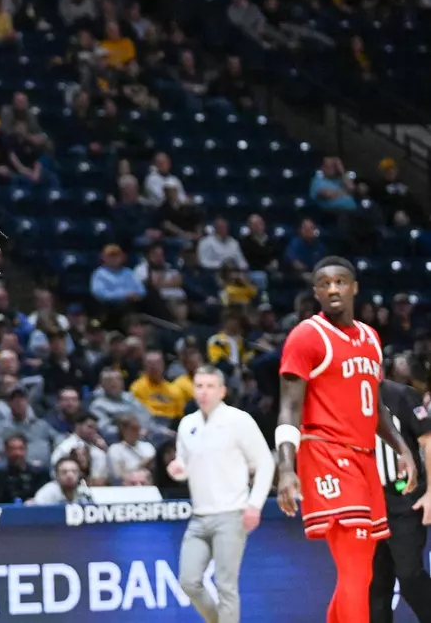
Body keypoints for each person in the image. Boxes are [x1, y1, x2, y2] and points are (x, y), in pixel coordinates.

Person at [277, 256, 415, 623]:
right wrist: (286, 470)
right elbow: (288, 409)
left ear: (355, 287)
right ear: (316, 292)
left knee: (362, 571)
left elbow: (376, 407)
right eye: (325, 284)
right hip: (326, 453)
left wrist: (402, 449)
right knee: (355, 567)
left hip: (365, 457)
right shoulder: (307, 336)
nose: (333, 288)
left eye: (341, 281)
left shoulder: (370, 337)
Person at [168, 366, 273, 623]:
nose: (203, 392)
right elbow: (185, 466)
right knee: (188, 582)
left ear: (222, 390)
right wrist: (178, 470)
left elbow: (265, 462)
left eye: (210, 386)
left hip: (232, 513)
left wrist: (254, 505)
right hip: (199, 515)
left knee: (226, 586)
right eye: (199, 386)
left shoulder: (239, 420)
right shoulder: (187, 424)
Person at [370, 376, 431, 623]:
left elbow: (427, 441)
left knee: (409, 576)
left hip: (404, 497)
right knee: (375, 584)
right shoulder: (347, 397)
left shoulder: (401, 394)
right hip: (368, 502)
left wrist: (430, 493)